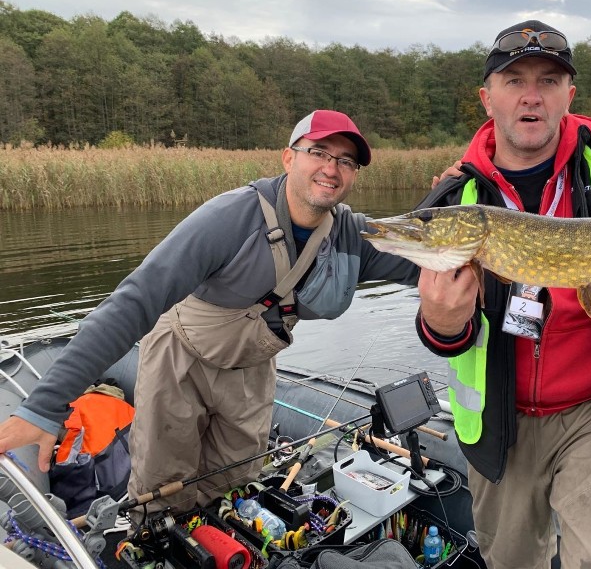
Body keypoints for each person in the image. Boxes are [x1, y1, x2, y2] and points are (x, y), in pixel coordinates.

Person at [0, 109, 418, 513]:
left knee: (236, 484)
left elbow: (427, 260)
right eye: (319, 153)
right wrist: (45, 406)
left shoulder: (352, 235)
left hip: (252, 369)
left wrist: (448, 199)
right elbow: (134, 302)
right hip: (181, 360)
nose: (332, 168)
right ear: (289, 157)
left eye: (346, 161)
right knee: (161, 491)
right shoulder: (229, 218)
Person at [414, 20, 591, 569]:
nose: (531, 95)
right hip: (502, 423)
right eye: (514, 79)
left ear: (569, 96)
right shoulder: (454, 197)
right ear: (487, 97)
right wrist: (444, 324)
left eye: (548, 81)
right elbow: (443, 331)